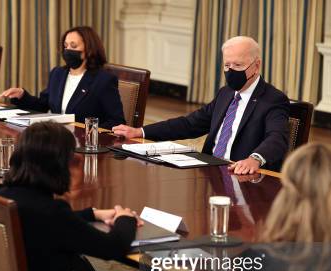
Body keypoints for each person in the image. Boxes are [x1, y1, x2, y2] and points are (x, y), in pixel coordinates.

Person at [0, 122, 145, 271]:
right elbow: (113, 247)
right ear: (58, 165)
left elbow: (52, 224)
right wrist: (125, 218)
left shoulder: (3, 196)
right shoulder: (51, 212)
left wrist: (93, 213)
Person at [113, 36, 289, 174]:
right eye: (227, 65)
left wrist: (255, 159)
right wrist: (140, 132)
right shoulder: (226, 93)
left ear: (256, 66)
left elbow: (277, 137)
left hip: (239, 174)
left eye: (238, 65)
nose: (231, 71)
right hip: (208, 170)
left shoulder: (272, 99)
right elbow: (190, 124)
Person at [0, 26, 125, 129]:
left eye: (73, 46)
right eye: (66, 46)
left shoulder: (103, 80)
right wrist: (22, 95)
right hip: (57, 142)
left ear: (89, 50)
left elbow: (117, 121)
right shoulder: (58, 73)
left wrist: (89, 133)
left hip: (84, 145)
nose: (68, 50)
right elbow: (43, 105)